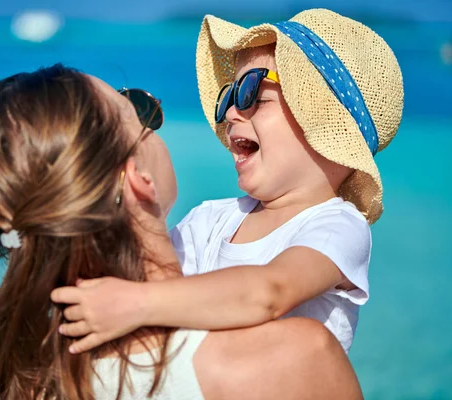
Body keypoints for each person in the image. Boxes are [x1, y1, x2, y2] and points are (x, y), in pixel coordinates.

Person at [0, 64, 363, 399]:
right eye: (139, 112)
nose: (228, 116)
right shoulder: (295, 359)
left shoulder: (32, 379)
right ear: (138, 179)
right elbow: (264, 293)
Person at [53, 9, 404, 355]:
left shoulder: (338, 226)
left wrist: (135, 303)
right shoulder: (208, 220)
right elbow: (154, 281)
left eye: (253, 93)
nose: (232, 113)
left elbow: (269, 293)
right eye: (230, 96)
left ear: (324, 127)